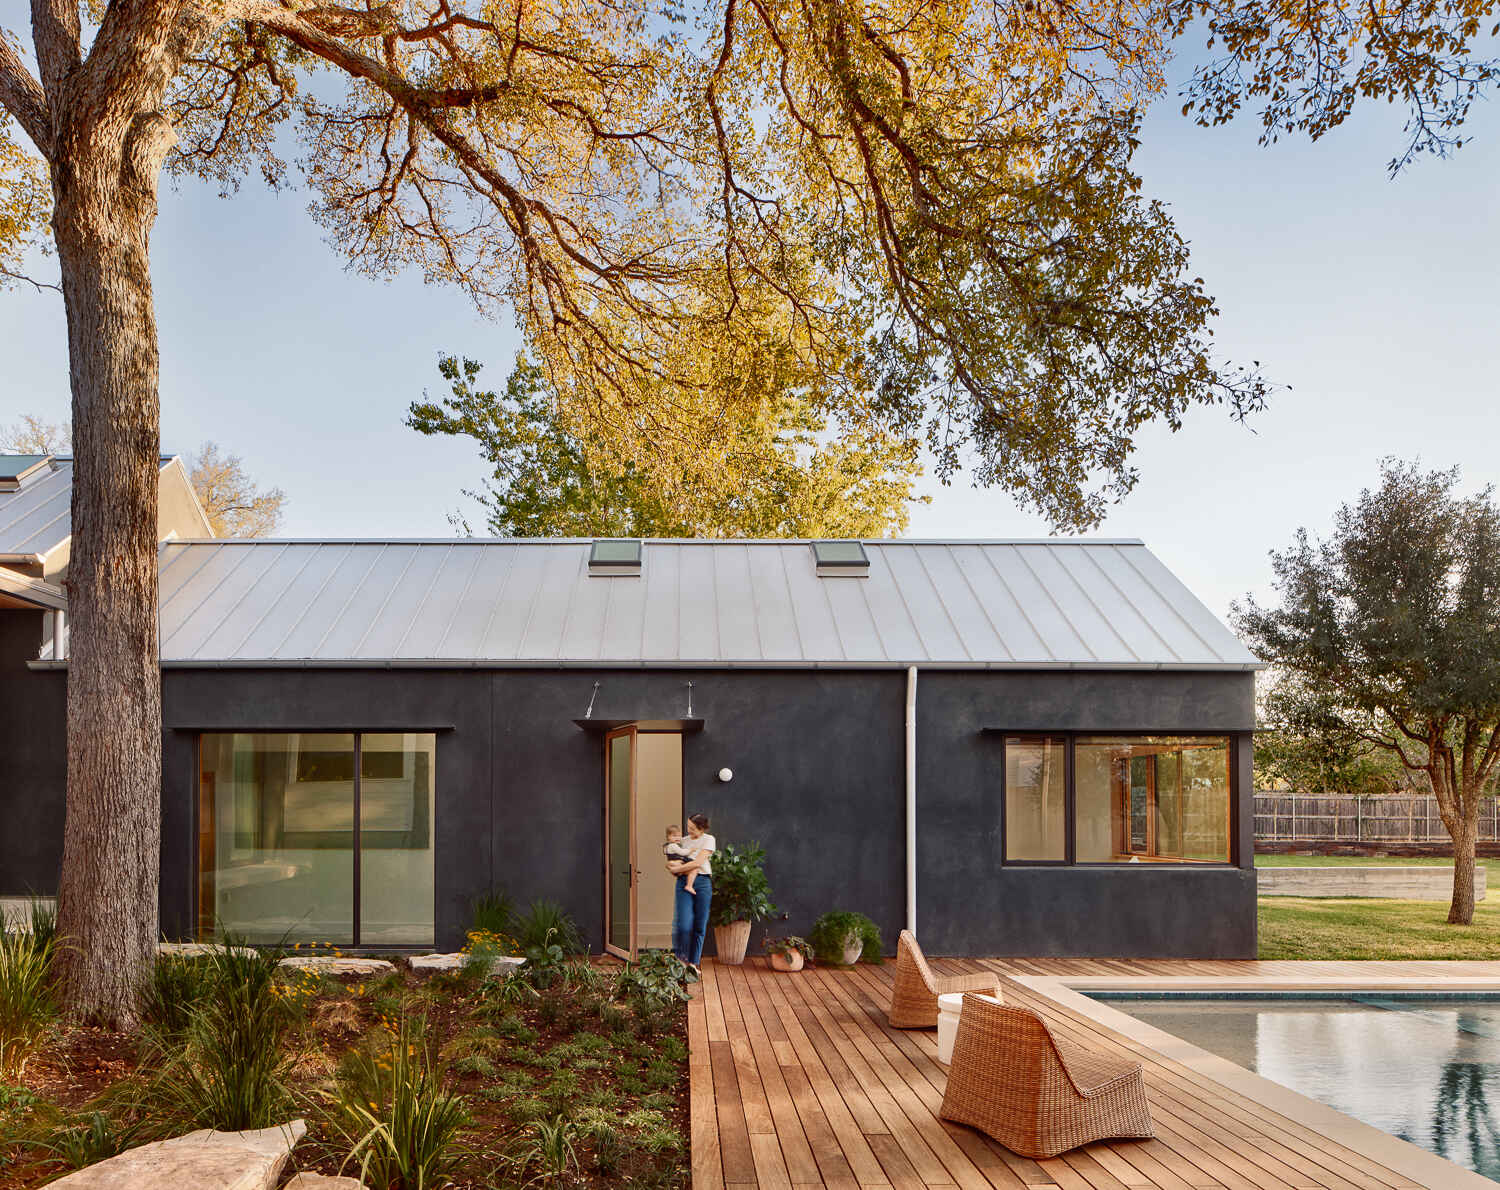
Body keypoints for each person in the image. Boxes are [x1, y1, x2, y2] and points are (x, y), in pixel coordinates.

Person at [666, 812, 714, 972]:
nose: (689, 830)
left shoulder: (709, 839)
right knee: (683, 924)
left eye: (692, 828)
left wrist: (677, 868)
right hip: (683, 882)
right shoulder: (683, 841)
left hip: (703, 883)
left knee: (700, 926)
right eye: (688, 827)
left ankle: (693, 963)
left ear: (702, 829)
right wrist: (672, 867)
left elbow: (698, 862)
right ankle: (680, 961)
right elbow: (671, 858)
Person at [663, 824, 704, 896]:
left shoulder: (668, 846)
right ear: (668, 837)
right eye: (674, 836)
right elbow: (682, 852)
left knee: (692, 870)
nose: (677, 838)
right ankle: (689, 885)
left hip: (676, 864)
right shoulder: (673, 845)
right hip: (678, 863)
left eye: (679, 836)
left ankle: (687, 882)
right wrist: (691, 850)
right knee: (695, 869)